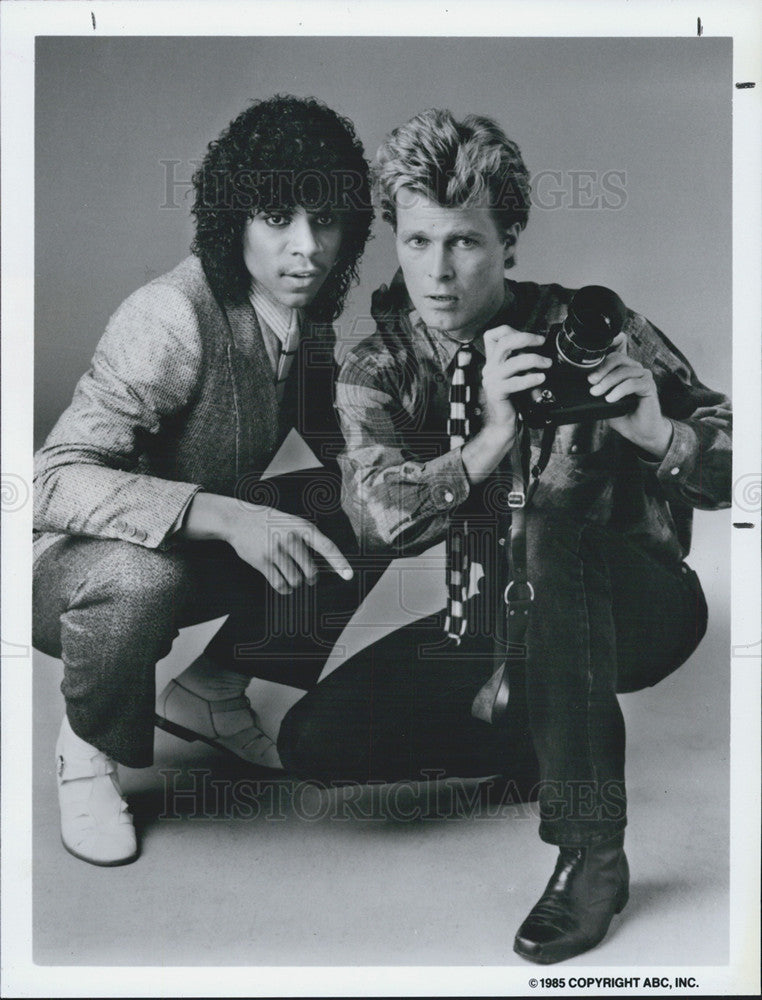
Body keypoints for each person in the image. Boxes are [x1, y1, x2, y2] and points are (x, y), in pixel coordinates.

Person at [276, 109, 732, 963]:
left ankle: (591, 854)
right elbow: (379, 516)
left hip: (638, 605)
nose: (439, 273)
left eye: (466, 243)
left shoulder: (593, 328)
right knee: (314, 742)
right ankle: (545, 730)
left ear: (510, 238)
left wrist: (659, 437)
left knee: (554, 529)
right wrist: (486, 441)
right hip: (497, 620)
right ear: (395, 240)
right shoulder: (381, 367)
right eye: (418, 243)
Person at [33, 94, 381, 867]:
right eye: (278, 218)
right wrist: (224, 516)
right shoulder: (170, 316)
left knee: (370, 508)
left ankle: (211, 695)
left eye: (324, 222)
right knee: (140, 573)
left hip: (180, 558)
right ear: (235, 220)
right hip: (71, 574)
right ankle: (86, 753)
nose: (307, 248)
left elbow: (347, 447)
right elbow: (52, 482)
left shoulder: (307, 314)